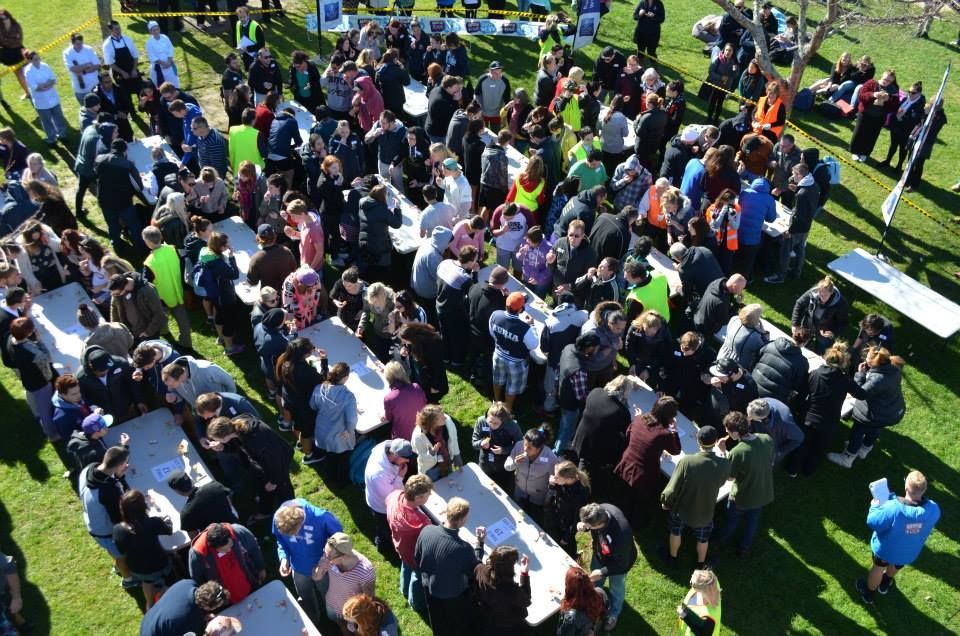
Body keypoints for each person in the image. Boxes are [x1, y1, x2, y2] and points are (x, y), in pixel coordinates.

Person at [856, 471, 941, 605]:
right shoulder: (934, 509)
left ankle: (869, 593)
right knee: (897, 564)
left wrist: (874, 507)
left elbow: (873, 522)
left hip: (886, 550)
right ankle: (885, 584)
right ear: (924, 489)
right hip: (908, 552)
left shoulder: (893, 507)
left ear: (906, 487)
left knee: (878, 568)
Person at [660, 425, 731, 569]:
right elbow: (724, 481)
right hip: (705, 511)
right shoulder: (724, 464)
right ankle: (700, 564)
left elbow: (671, 489)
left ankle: (673, 558)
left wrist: (665, 502)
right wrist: (723, 454)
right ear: (716, 441)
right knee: (703, 538)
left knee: (675, 531)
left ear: (698, 441)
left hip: (681, 508)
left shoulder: (687, 461)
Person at [414, 497, 484, 636]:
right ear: (462, 520)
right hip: (451, 595)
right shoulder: (463, 549)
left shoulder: (427, 530)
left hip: (428, 587)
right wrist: (480, 544)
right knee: (455, 623)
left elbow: (417, 556)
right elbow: (475, 570)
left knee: (437, 620)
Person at [827, 346, 906, 468]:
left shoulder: (877, 379)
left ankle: (848, 457)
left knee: (858, 432)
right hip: (891, 411)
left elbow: (860, 393)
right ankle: (865, 449)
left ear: (875, 361)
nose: (865, 358)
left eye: (868, 357)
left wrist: (860, 374)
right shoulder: (893, 369)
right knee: (875, 428)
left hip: (878, 413)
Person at [272, 499, 344, 626]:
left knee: (328, 596)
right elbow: (281, 541)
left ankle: (337, 620)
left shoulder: (321, 517)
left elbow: (339, 541)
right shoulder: (279, 519)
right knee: (305, 597)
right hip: (298, 570)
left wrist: (324, 563)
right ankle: (313, 621)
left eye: (294, 534)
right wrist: (283, 558)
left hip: (324, 570)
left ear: (301, 522)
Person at [207, 415, 295, 518]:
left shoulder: (254, 438)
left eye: (218, 439)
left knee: (284, 489)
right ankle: (267, 511)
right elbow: (238, 447)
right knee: (265, 487)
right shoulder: (235, 425)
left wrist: (274, 481)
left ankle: (294, 512)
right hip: (263, 465)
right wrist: (223, 447)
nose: (217, 441)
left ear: (225, 436)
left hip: (280, 462)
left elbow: (276, 460)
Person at [614, 396, 682, 527]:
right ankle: (635, 524)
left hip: (627, 462)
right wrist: (674, 430)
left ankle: (619, 515)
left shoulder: (639, 419)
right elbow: (676, 450)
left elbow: (629, 433)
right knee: (639, 502)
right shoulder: (664, 434)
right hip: (643, 474)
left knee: (624, 495)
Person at [576, 502, 636, 631]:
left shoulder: (621, 534)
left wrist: (603, 572)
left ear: (598, 525)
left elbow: (622, 563)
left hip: (619, 563)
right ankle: (594, 601)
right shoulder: (601, 510)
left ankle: (613, 614)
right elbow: (592, 528)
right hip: (600, 554)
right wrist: (585, 526)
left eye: (589, 526)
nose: (587, 527)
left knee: (616, 587)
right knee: (595, 582)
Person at [79, 446, 134, 587]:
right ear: (119, 465)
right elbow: (118, 519)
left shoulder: (88, 469)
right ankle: (128, 580)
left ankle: (117, 565)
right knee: (121, 555)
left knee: (112, 552)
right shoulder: (109, 491)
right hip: (105, 531)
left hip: (92, 522)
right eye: (125, 463)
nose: (127, 465)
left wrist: (118, 476)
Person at [112, 490, 173, 609]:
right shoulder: (153, 522)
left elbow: (122, 551)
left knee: (148, 582)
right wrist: (166, 519)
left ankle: (149, 603)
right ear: (143, 506)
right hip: (160, 565)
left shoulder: (118, 530)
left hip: (138, 569)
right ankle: (167, 594)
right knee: (172, 563)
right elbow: (169, 530)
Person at [489, 291, 546, 411]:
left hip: (498, 354)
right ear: (521, 309)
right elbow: (533, 345)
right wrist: (532, 325)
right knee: (512, 387)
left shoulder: (495, 315)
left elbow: (492, 333)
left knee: (497, 379)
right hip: (516, 361)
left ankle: (496, 401)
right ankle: (507, 410)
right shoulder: (525, 328)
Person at [764, 163, 820, 284]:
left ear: (800, 175)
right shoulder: (813, 185)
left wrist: (789, 231)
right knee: (800, 249)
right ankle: (797, 271)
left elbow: (797, 215)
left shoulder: (801, 194)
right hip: (807, 225)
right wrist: (798, 189)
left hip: (796, 228)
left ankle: (780, 276)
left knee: (785, 251)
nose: (792, 176)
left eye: (794, 174)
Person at [385, 474, 433, 613]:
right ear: (418, 498)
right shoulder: (420, 522)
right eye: (428, 494)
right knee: (417, 577)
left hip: (400, 545)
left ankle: (404, 589)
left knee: (405, 567)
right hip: (414, 555)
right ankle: (416, 603)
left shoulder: (395, 496)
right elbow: (429, 540)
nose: (429, 496)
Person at [6, 317, 58, 440]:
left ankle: (35, 413)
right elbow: (47, 359)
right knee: (46, 411)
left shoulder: (10, 340)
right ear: (28, 333)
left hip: (26, 376)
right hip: (40, 383)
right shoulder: (34, 353)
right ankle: (52, 434)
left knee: (33, 400)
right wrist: (39, 341)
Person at [141, 227, 192, 351]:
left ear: (148, 242)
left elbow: (146, 283)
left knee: (161, 316)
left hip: (161, 297)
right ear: (161, 237)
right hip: (177, 290)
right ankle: (186, 342)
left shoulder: (149, 263)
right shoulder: (173, 249)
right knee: (182, 320)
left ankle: (164, 331)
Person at [312, 532, 377, 627]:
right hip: (332, 605)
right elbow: (316, 577)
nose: (325, 557)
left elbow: (368, 600)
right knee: (342, 627)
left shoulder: (365, 572)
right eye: (325, 552)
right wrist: (321, 565)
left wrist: (355, 618)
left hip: (352, 612)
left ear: (344, 556)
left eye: (329, 556)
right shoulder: (328, 559)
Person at [309, 361, 358, 486]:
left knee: (329, 457)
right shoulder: (348, 396)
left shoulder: (319, 388)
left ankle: (330, 476)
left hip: (322, 431)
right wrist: (349, 430)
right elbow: (351, 420)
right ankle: (342, 482)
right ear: (345, 378)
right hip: (338, 436)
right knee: (342, 461)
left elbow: (313, 405)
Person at [95, 139, 148, 251]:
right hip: (123, 203)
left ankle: (116, 245)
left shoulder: (99, 159)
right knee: (134, 226)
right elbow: (139, 187)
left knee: (112, 225)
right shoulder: (128, 165)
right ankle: (140, 247)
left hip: (104, 200)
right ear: (125, 151)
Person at [364, 438, 415, 553]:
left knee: (382, 528)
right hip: (381, 507)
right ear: (394, 454)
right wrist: (400, 477)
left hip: (379, 491)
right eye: (404, 459)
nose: (407, 461)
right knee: (386, 529)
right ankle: (384, 547)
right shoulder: (378, 474)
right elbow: (392, 497)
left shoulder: (387, 446)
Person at [472, 545, 531, 635]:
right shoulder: (511, 590)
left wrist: (480, 543)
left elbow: (476, 561)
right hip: (507, 621)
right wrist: (524, 574)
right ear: (509, 567)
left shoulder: (480, 569)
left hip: (487, 612)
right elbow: (526, 600)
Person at [503, 426, 558, 519]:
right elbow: (507, 467)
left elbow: (554, 481)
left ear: (539, 448)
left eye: (529, 447)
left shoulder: (550, 458)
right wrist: (515, 463)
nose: (525, 448)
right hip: (519, 491)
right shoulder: (518, 446)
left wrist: (548, 498)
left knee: (534, 517)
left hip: (538, 496)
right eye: (525, 444)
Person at [139, 580, 228, 636]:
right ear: (207, 606)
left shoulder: (188, 583)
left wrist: (204, 616)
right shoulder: (190, 621)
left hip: (148, 621)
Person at [167, 471, 237, 536]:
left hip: (218, 542)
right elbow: (229, 503)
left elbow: (195, 539)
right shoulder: (215, 486)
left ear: (177, 491)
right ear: (190, 479)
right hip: (236, 529)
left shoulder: (186, 513)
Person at [791, 276, 849, 354]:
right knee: (799, 347)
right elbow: (799, 304)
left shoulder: (841, 303)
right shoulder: (812, 293)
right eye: (820, 294)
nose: (822, 298)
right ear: (818, 290)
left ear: (831, 293)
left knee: (821, 353)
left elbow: (843, 323)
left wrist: (833, 332)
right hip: (808, 324)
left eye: (825, 296)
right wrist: (795, 324)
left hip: (825, 332)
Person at [23, 51, 69, 145]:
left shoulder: (45, 66)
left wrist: (44, 85)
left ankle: (62, 135)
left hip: (53, 98)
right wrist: (47, 85)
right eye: (35, 59)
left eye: (39, 58)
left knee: (59, 117)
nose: (38, 61)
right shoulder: (28, 71)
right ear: (30, 60)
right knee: (47, 121)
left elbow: (53, 79)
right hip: (41, 102)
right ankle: (52, 139)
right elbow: (35, 87)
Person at [717, 303, 768, 372]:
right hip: (736, 367)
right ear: (756, 319)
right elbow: (765, 348)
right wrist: (764, 333)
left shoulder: (734, 319)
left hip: (722, 355)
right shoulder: (754, 337)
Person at [692, 274, 746, 338]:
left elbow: (728, 295)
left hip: (699, 315)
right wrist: (736, 304)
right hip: (705, 327)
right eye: (741, 288)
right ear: (734, 286)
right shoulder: (721, 302)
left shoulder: (718, 282)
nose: (741, 291)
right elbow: (725, 321)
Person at [102, 21, 141, 105]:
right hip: (119, 73)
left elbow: (135, 56)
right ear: (111, 30)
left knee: (140, 91)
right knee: (125, 95)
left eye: (119, 28)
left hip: (132, 69)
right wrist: (123, 73)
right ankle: (132, 113)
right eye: (116, 29)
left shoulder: (127, 39)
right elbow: (110, 63)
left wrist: (134, 70)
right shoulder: (107, 45)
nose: (119, 30)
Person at [676, 569, 722, 635]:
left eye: (692, 583)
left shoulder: (709, 617)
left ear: (703, 590)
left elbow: (703, 634)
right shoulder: (713, 583)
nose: (690, 581)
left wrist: (684, 615)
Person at [706, 43, 738, 123]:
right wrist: (721, 77)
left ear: (733, 52)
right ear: (724, 50)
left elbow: (735, 76)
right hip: (715, 85)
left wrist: (735, 70)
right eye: (726, 50)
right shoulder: (718, 59)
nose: (728, 52)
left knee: (720, 103)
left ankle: (716, 118)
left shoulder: (733, 62)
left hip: (725, 87)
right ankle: (709, 117)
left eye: (730, 50)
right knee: (712, 102)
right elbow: (711, 72)